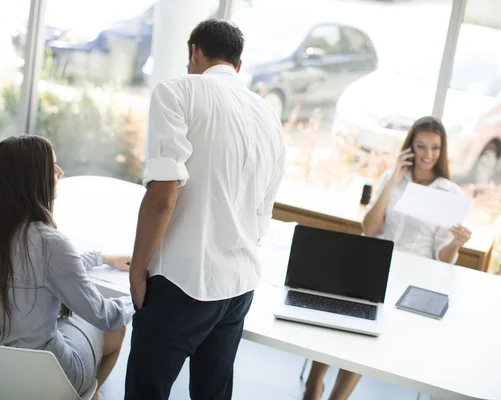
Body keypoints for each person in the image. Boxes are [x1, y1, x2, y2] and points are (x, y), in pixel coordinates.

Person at [124, 19, 286, 400]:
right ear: (238, 66)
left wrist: (137, 267)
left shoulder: (177, 92)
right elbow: (263, 215)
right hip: (238, 286)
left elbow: (163, 197)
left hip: (183, 282)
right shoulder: (269, 117)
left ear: (194, 52)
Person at [303, 116, 472, 400]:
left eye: (435, 148)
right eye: (421, 146)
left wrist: (456, 242)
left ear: (442, 151)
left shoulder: (449, 193)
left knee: (368, 331)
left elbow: (443, 259)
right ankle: (313, 385)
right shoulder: (392, 179)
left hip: (415, 274)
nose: (428, 155)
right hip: (375, 262)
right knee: (341, 318)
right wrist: (394, 179)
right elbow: (369, 229)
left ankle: (337, 398)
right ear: (410, 148)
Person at [0, 136, 134, 400]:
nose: (60, 173)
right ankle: (88, 394)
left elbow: (54, 266)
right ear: (30, 178)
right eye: (52, 166)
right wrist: (137, 298)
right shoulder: (50, 243)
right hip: (50, 374)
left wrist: (99, 257)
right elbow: (105, 316)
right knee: (116, 329)